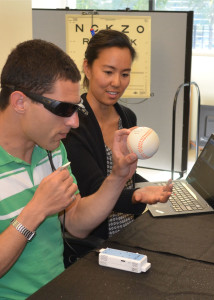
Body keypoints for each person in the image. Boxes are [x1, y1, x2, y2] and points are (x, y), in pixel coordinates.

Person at [0, 39, 172, 299]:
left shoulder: (51, 149)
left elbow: (77, 223)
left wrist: (118, 177)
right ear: (20, 102)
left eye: (76, 108)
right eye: (64, 109)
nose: (75, 121)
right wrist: (35, 211)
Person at [63, 29, 158, 239]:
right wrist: (137, 196)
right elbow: (94, 189)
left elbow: (128, 177)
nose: (117, 82)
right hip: (96, 241)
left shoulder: (127, 118)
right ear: (87, 68)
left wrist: (152, 188)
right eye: (108, 72)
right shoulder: (72, 124)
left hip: (129, 231)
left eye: (125, 74)